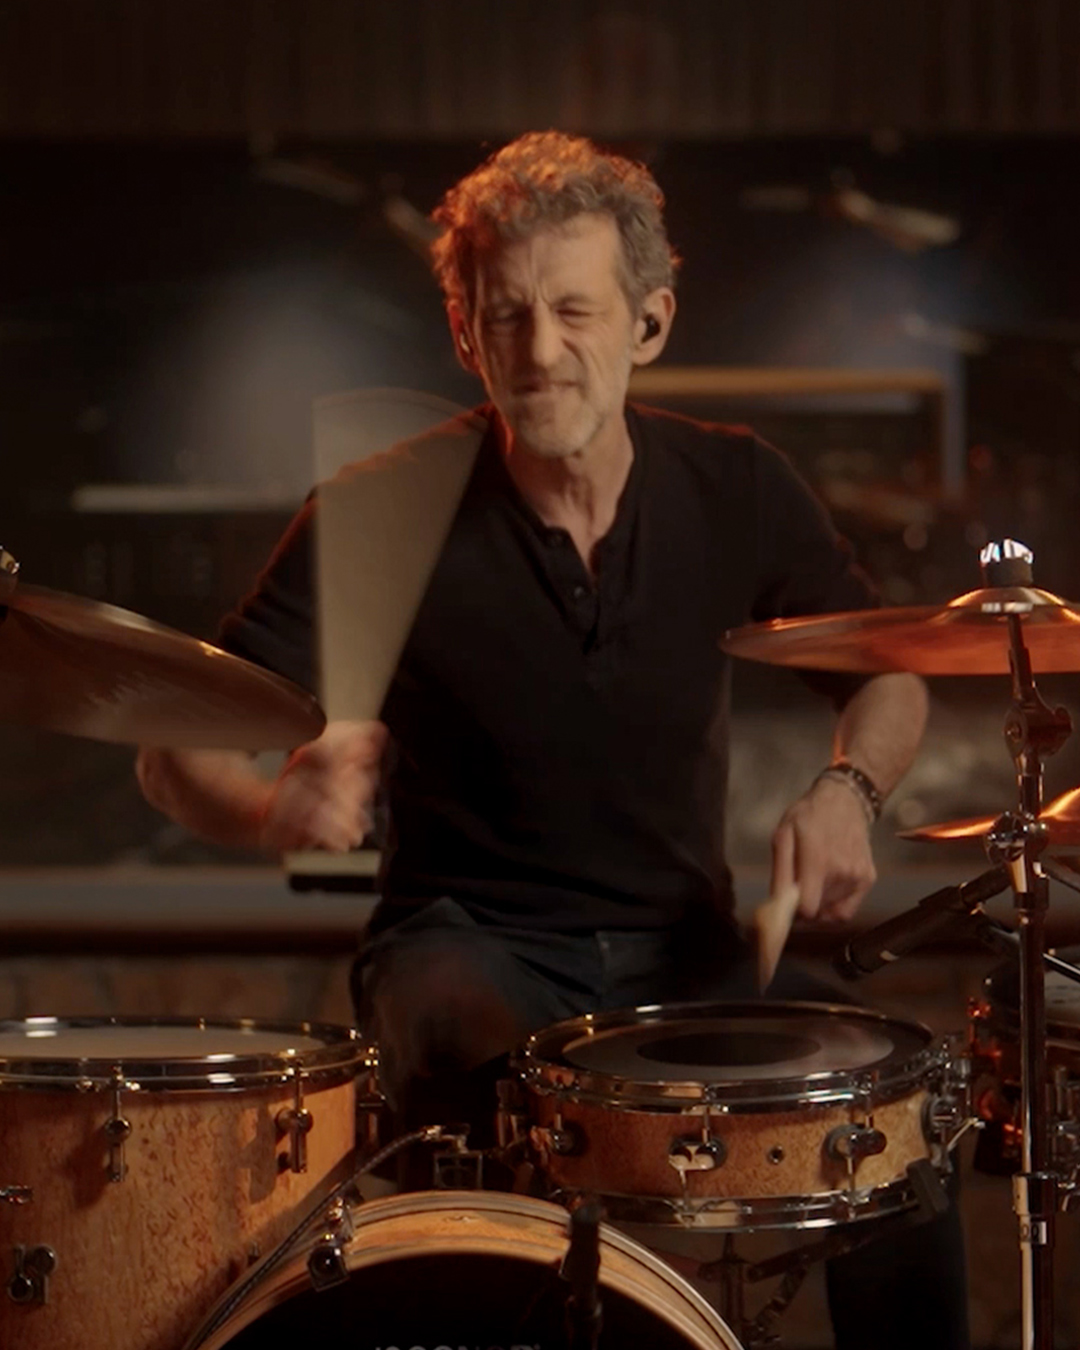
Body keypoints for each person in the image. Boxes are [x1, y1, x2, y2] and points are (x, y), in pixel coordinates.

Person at [136, 133, 965, 1349]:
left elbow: (891, 670)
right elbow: (173, 752)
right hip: (470, 944)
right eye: (505, 315)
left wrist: (848, 788)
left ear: (650, 323)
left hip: (687, 956)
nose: (539, 351)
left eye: (575, 310)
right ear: (466, 334)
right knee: (465, 1037)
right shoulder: (382, 509)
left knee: (897, 1113)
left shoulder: (736, 486)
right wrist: (273, 808)